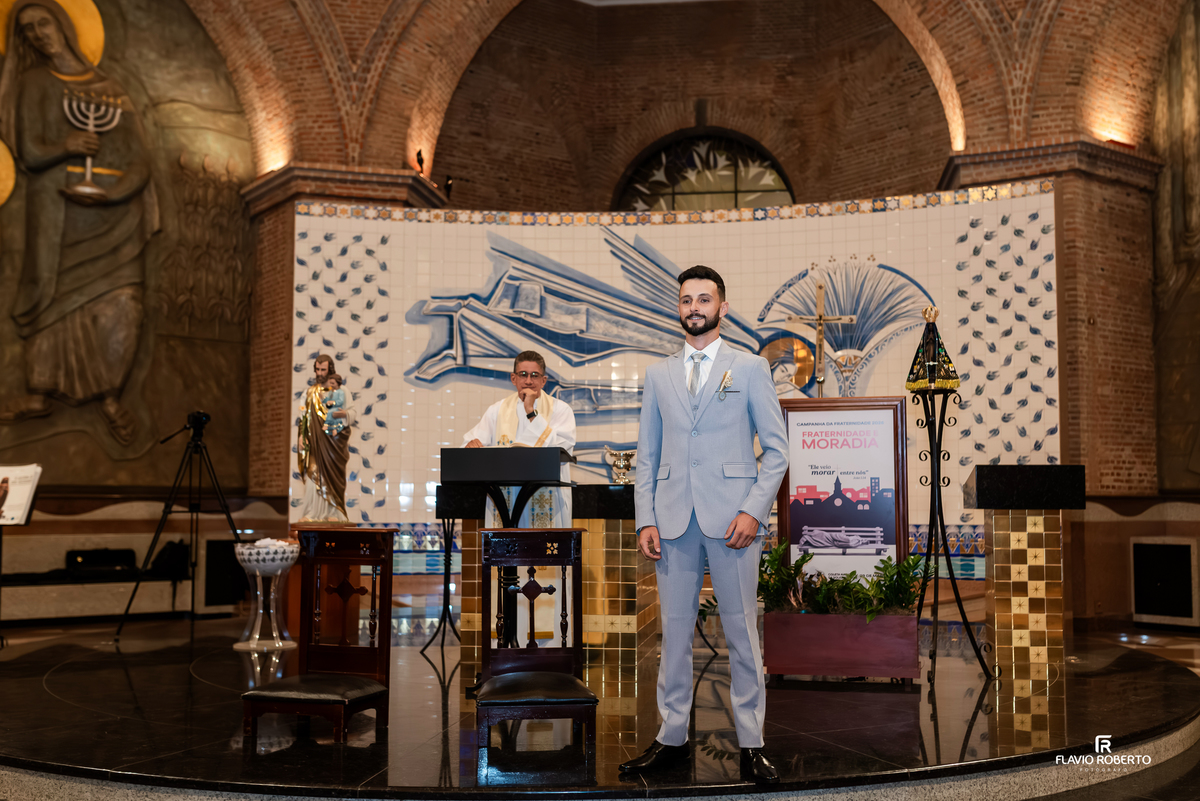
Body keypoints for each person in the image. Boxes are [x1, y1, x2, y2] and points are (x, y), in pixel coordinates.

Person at [621, 265, 788, 784]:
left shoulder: (751, 368)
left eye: (704, 299)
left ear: (722, 307)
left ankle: (752, 744)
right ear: (679, 307)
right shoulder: (659, 375)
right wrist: (645, 518)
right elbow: (647, 456)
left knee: (741, 632)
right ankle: (671, 738)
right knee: (673, 635)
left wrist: (752, 510)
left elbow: (777, 452)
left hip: (733, 520)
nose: (694, 307)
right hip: (672, 520)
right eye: (686, 299)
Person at [0, 0, 159, 445]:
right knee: (50, 298)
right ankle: (39, 392)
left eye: (43, 23)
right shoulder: (34, 83)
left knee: (123, 302)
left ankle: (111, 396)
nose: (38, 34)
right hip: (56, 216)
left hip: (114, 219)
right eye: (27, 30)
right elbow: (30, 151)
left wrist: (114, 191)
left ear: (64, 25)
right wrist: (66, 145)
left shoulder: (110, 89)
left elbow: (139, 157)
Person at [462, 351, 576, 528]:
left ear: (543, 380)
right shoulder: (497, 411)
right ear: (513, 378)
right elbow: (470, 444)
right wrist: (470, 445)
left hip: (548, 500)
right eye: (523, 374)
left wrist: (530, 411)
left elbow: (562, 450)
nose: (528, 380)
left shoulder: (560, 410)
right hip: (505, 500)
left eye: (534, 375)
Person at [296, 355, 356, 522]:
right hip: (315, 443)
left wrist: (342, 414)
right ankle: (311, 513)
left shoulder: (342, 391)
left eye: (323, 370)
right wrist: (301, 435)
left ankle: (334, 512)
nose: (320, 373)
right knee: (312, 475)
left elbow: (352, 413)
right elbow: (303, 416)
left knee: (333, 478)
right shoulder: (309, 393)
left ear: (330, 370)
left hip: (334, 445)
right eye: (317, 369)